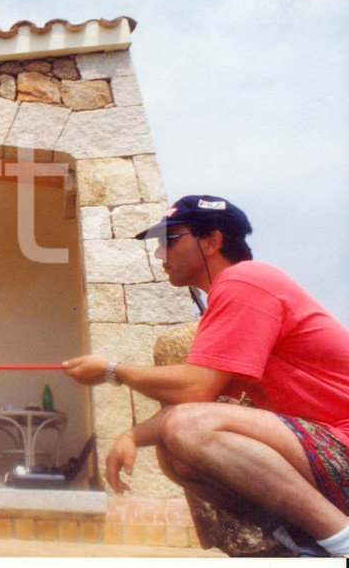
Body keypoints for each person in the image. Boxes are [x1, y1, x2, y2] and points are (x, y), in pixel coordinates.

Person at [63, 195, 349, 558]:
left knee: (186, 428)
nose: (159, 256)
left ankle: (340, 540)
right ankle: (299, 544)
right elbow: (199, 396)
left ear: (211, 242)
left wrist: (110, 371)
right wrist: (132, 434)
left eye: (170, 240)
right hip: (328, 449)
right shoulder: (232, 299)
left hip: (340, 444)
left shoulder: (246, 280)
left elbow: (195, 388)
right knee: (175, 451)